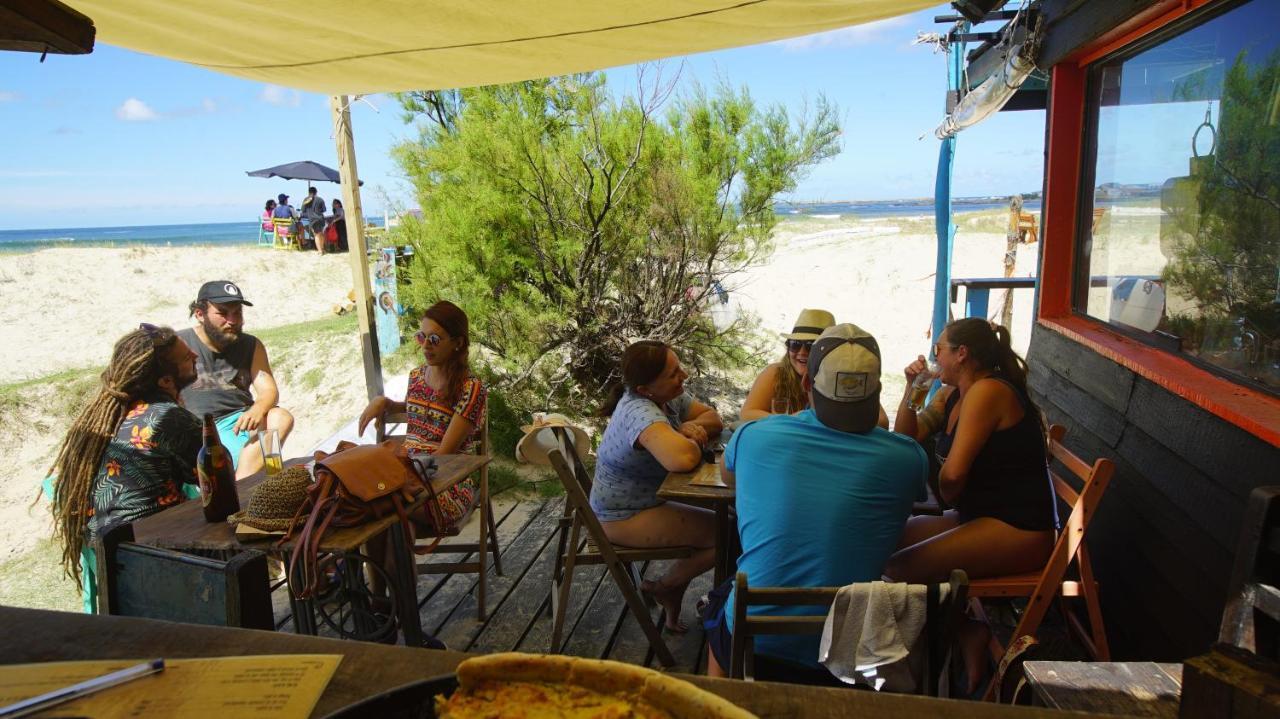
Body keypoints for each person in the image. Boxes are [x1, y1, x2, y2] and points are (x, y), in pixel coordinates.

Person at [703, 323, 927, 677]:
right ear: (879, 390)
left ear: (807, 384)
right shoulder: (909, 457)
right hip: (845, 649)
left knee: (721, 600)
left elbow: (729, 479)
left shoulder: (752, 436)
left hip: (756, 641)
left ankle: (723, 697)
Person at [885, 317, 1057, 694]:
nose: (935, 357)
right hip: (981, 515)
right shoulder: (954, 395)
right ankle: (967, 630)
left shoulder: (987, 392)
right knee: (885, 542)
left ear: (961, 354)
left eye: (939, 349)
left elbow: (953, 478)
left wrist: (941, 497)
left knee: (900, 568)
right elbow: (905, 439)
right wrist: (912, 389)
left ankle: (917, 673)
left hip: (1019, 527)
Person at [45, 324, 200, 611]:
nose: (195, 354)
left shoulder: (103, 419)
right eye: (186, 356)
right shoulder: (169, 418)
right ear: (166, 381)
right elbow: (219, 481)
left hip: (111, 560)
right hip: (157, 560)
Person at [591, 340, 723, 632]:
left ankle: (671, 589)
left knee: (733, 521)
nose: (684, 376)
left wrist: (685, 428)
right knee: (730, 535)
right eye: (674, 373)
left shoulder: (666, 396)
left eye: (679, 367)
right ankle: (667, 587)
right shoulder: (640, 412)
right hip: (622, 515)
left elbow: (714, 418)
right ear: (645, 389)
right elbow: (683, 458)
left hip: (649, 499)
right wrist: (682, 433)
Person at [358, 300, 486, 527]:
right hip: (407, 478)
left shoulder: (470, 388)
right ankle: (387, 563)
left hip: (446, 485)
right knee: (364, 495)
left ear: (457, 343)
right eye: (421, 337)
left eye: (434, 339)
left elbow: (444, 454)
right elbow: (415, 409)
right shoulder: (416, 377)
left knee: (379, 504)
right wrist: (384, 402)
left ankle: (386, 562)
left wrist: (400, 474)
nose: (426, 345)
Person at [177, 281, 294, 479]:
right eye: (223, 313)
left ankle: (247, 483)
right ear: (199, 314)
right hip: (200, 430)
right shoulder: (180, 344)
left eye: (237, 313)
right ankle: (247, 486)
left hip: (241, 423)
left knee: (280, 417)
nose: (232, 320)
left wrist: (258, 409)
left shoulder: (251, 344)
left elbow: (268, 390)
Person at [740, 308, 890, 428]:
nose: (801, 352)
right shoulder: (776, 373)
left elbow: (881, 421)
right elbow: (747, 414)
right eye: (795, 345)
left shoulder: (842, 375)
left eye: (811, 346)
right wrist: (795, 420)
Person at [300, 186, 327, 253]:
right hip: (321, 218)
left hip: (312, 219)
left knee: (316, 235)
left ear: (309, 192)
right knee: (321, 234)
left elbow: (303, 210)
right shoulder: (320, 199)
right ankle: (322, 248)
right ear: (316, 192)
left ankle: (320, 251)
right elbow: (324, 210)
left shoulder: (306, 200)